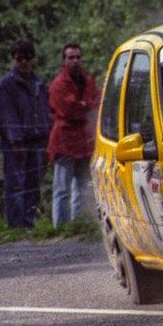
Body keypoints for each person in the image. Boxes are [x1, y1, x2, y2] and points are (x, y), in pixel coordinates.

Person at [0, 39, 50, 228]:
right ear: (13, 60)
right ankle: (15, 225)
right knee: (16, 185)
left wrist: (46, 134)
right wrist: (16, 140)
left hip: (37, 140)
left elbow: (43, 110)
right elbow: (7, 114)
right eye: (19, 58)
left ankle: (29, 222)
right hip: (16, 143)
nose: (23, 62)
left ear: (32, 59)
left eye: (27, 58)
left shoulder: (38, 82)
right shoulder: (6, 85)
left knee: (33, 185)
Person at [47, 43, 100, 227]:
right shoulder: (59, 84)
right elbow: (67, 110)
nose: (75, 61)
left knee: (83, 187)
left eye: (78, 57)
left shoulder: (87, 80)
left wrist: (85, 105)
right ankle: (60, 226)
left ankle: (79, 224)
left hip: (84, 141)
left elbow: (96, 102)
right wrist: (85, 106)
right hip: (64, 141)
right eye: (71, 57)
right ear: (64, 60)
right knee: (62, 188)